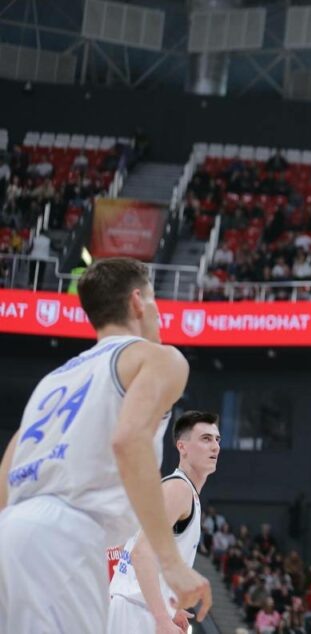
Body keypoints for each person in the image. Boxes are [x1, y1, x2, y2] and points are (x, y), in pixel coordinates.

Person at [0, 257, 211, 631]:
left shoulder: (54, 380)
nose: (159, 315)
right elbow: (128, 440)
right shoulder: (160, 358)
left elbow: (6, 474)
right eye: (155, 302)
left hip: (11, 535)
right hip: (69, 534)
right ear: (137, 302)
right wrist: (172, 564)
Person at [108, 411, 221, 633]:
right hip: (136, 613)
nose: (215, 447)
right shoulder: (179, 489)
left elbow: (131, 545)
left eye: (217, 440)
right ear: (182, 447)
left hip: (137, 609)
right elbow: (141, 553)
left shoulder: (180, 490)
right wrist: (161, 618)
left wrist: (169, 607)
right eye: (206, 439)